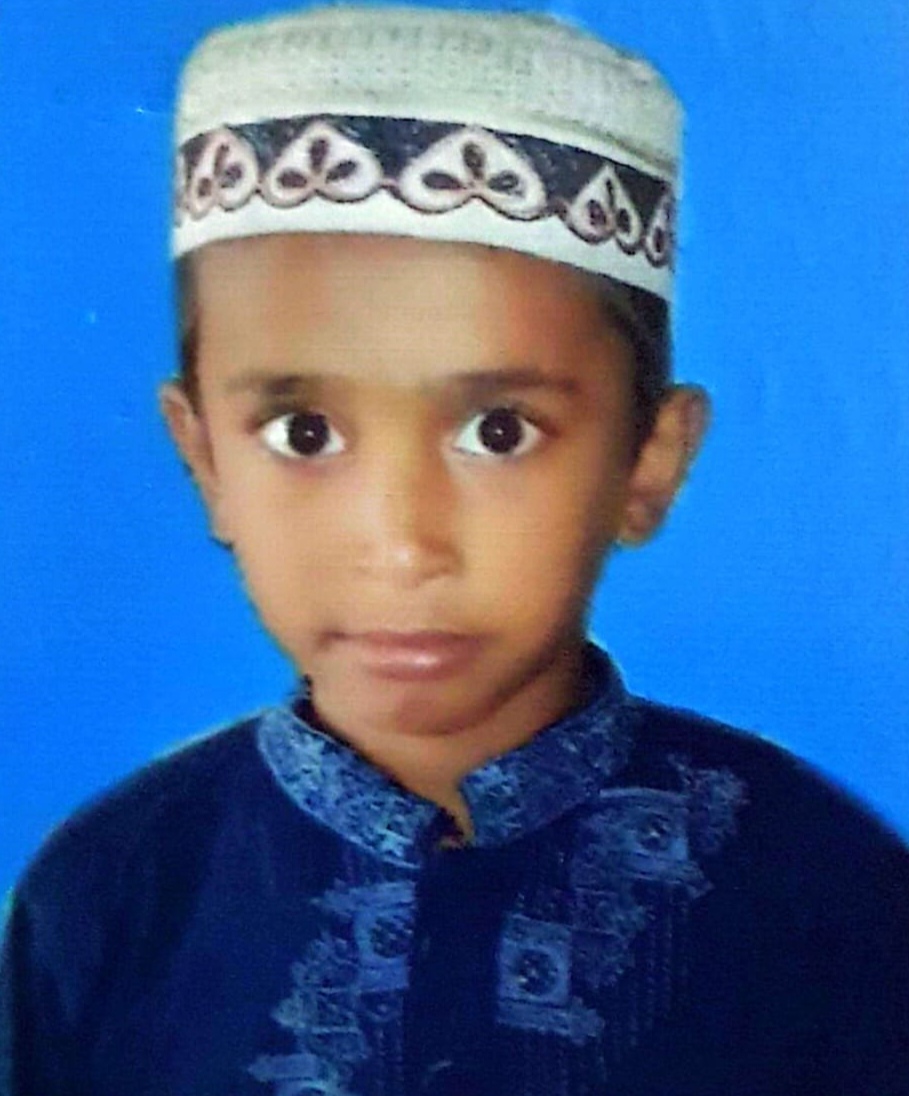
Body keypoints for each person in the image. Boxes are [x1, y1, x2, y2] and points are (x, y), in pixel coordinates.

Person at [1, 3, 907, 1094]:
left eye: (500, 433)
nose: (400, 544)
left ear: (648, 461)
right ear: (204, 461)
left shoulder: (826, 889)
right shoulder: (109, 894)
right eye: (304, 434)